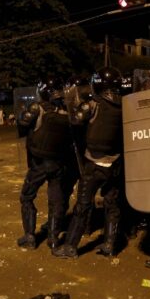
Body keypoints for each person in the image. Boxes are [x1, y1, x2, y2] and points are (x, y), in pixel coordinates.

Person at [53, 67, 125, 259]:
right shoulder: (125, 104)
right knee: (112, 204)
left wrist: (75, 104)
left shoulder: (94, 104)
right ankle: (110, 244)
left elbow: (76, 120)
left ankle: (70, 247)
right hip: (116, 163)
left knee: (82, 206)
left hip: (94, 163)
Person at [16, 76, 75, 250]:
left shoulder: (38, 109)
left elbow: (22, 124)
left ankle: (29, 236)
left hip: (39, 163)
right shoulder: (68, 112)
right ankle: (53, 239)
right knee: (55, 202)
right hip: (59, 164)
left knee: (26, 197)